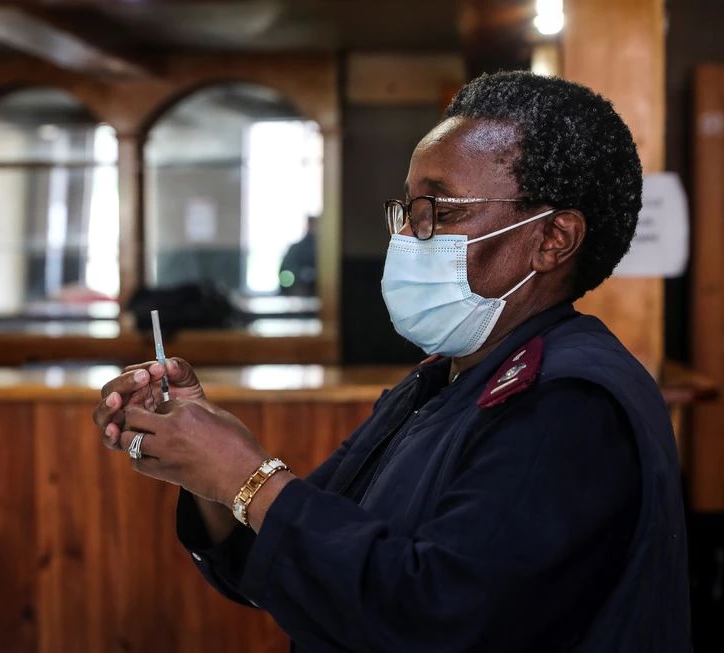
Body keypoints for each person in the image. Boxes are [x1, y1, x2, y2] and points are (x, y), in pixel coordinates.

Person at [92, 71, 690, 652]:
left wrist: (242, 475)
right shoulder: (439, 381)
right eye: (409, 210)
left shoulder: (569, 405)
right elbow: (301, 557)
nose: (410, 234)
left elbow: (434, 619)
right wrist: (206, 469)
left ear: (553, 238)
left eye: (442, 212)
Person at [279, 214, 319, 296]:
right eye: (313, 224)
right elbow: (284, 275)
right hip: (299, 295)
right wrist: (302, 275)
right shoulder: (297, 248)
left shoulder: (327, 250)